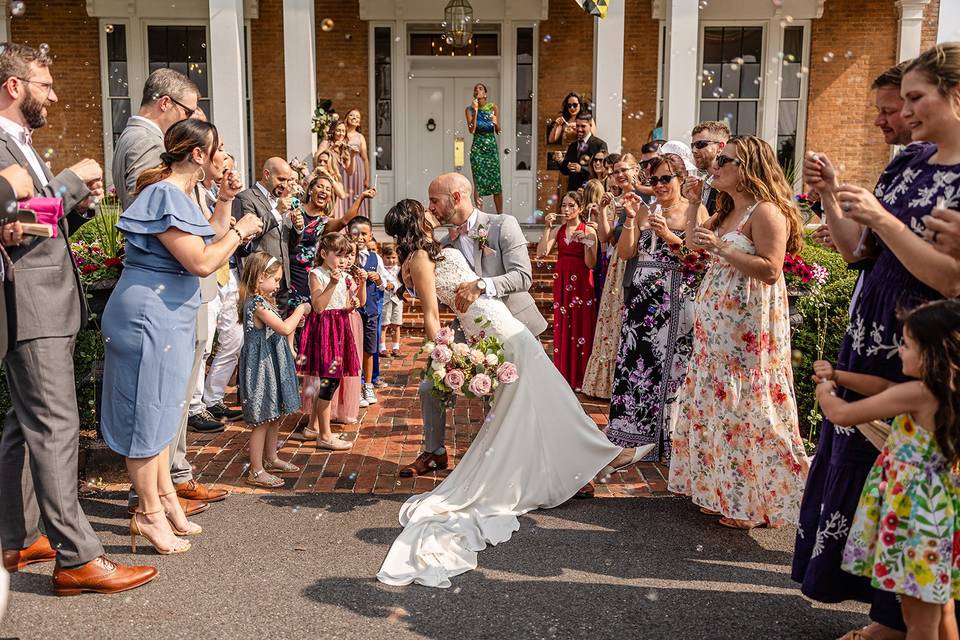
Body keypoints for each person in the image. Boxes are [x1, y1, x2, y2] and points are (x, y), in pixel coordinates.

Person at [378, 199, 650, 588]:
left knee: (538, 402)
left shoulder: (427, 253)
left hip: (495, 323)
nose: (430, 213)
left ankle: (584, 462)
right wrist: (445, 355)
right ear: (412, 221)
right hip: (497, 330)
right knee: (548, 396)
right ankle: (600, 457)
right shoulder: (420, 258)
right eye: (423, 211)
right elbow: (430, 316)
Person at [793, 44, 960, 639]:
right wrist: (834, 195)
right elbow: (855, 252)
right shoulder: (910, 161)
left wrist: (887, 220)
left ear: (954, 95)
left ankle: (896, 624)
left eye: (916, 98)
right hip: (868, 333)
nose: (905, 112)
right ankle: (880, 614)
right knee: (871, 478)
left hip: (924, 347)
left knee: (919, 487)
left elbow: (950, 278)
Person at [0, 41, 157, 594]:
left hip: (47, 298)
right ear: (14, 87)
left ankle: (17, 537)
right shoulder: (0, 142)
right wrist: (65, 182)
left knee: (25, 425)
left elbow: (28, 219)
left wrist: (77, 202)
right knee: (57, 427)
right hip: (31, 302)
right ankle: (77, 557)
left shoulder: (21, 142)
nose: (54, 94)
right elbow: (4, 210)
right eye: (44, 84)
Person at [100, 119, 262, 555]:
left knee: (165, 413)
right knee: (145, 415)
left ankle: (165, 499)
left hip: (169, 314)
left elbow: (207, 234)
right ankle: (147, 514)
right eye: (219, 149)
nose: (225, 157)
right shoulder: (162, 194)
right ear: (197, 155)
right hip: (147, 315)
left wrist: (226, 202)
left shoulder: (181, 193)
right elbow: (202, 261)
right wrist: (241, 232)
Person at [669, 135, 809, 529]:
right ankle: (721, 491)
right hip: (718, 329)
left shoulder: (765, 212)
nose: (715, 165)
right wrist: (695, 201)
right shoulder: (727, 209)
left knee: (744, 407)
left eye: (725, 160)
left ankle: (750, 503)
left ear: (748, 169)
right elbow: (693, 245)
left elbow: (771, 268)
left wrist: (725, 250)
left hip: (749, 324)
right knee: (719, 408)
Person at [816, 300, 960, 639]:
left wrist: (825, 391)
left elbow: (842, 415)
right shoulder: (943, 394)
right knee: (942, 611)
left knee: (918, 619)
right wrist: (838, 373)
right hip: (941, 516)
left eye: (907, 344)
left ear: (932, 353)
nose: (900, 349)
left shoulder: (920, 393)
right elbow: (883, 388)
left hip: (918, 520)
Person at [398, 173, 548, 478]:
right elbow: (431, 287)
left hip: (512, 323)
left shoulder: (502, 224)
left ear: (456, 197)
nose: (431, 207)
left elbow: (523, 277)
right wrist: (407, 279)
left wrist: (481, 285)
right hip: (469, 326)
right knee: (430, 385)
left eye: (434, 200)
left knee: (528, 397)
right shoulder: (442, 241)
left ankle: (547, 459)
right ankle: (434, 451)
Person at [605, 154, 704, 460]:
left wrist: (667, 235)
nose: (660, 185)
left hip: (674, 299)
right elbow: (625, 252)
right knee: (637, 362)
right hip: (640, 297)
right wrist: (633, 219)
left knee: (670, 367)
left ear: (680, 179)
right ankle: (633, 434)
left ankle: (667, 439)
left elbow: (697, 259)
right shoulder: (646, 209)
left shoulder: (694, 210)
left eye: (666, 179)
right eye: (655, 180)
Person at [236, 251, 309, 488]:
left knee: (275, 414)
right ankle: (256, 471)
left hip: (272, 362)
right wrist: (300, 310)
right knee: (263, 418)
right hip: (261, 367)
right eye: (276, 279)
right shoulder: (255, 304)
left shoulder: (266, 301)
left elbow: (284, 333)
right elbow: (283, 327)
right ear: (259, 277)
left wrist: (292, 342)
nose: (279, 284)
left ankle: (271, 457)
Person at [297, 232, 362, 451]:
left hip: (340, 326)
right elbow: (318, 306)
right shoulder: (317, 273)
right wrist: (333, 283)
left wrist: (351, 302)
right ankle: (325, 435)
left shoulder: (343, 276)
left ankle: (314, 427)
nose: (343, 260)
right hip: (325, 329)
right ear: (324, 254)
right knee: (328, 381)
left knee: (330, 381)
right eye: (339, 255)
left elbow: (344, 304)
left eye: (346, 256)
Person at [112, 68, 199, 209]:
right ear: (165, 103)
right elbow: (144, 209)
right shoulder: (147, 142)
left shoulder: (132, 134)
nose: (188, 121)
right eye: (187, 112)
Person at [536, 191, 598, 389]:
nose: (567, 209)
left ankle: (580, 377)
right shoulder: (559, 230)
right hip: (563, 282)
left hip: (581, 281)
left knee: (582, 324)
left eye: (571, 205)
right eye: (564, 206)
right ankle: (564, 374)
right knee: (564, 324)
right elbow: (541, 253)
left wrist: (587, 243)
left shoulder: (589, 230)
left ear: (580, 208)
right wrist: (547, 228)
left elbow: (591, 264)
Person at [202, 152, 246, 420]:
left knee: (234, 338)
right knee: (205, 342)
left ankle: (213, 396)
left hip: (229, 272)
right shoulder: (199, 193)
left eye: (232, 170)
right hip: (207, 273)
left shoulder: (227, 197)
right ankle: (195, 406)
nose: (229, 174)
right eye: (224, 168)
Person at [349, 216, 396, 406]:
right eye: (355, 233)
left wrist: (378, 279)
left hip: (369, 311)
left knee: (369, 349)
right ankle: (354, 386)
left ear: (370, 236)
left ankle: (367, 385)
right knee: (353, 349)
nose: (359, 237)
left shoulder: (375, 258)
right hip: (351, 311)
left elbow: (387, 283)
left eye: (364, 234)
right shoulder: (345, 256)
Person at [465, 83, 503, 214]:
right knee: (478, 183)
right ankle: (479, 216)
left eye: (480, 88)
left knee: (496, 182)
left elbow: (498, 130)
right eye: (475, 89)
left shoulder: (493, 107)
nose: (477, 90)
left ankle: (500, 215)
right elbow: (472, 130)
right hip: (478, 148)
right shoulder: (469, 110)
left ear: (485, 94)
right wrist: (475, 111)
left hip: (491, 147)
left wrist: (496, 123)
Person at [689, 120, 730, 215]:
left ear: (720, 147)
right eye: (693, 145)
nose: (694, 150)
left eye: (700, 144)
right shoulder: (702, 183)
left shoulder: (730, 185)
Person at [559, 114, 607, 193]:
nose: (579, 129)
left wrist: (581, 169)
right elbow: (565, 171)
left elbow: (602, 169)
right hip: (573, 191)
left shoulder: (599, 144)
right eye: (577, 126)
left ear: (590, 125)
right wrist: (561, 162)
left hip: (590, 191)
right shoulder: (573, 145)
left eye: (583, 126)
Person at [343, 109, 371, 217]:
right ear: (346, 118)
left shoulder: (360, 137)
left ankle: (357, 219)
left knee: (356, 194)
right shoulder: (340, 132)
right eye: (352, 115)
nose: (355, 118)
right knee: (343, 194)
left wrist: (367, 178)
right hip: (343, 166)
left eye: (357, 117)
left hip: (357, 169)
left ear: (359, 123)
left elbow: (365, 158)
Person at [380, 243, 404, 357]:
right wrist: (385, 284)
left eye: (393, 257)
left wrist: (394, 285)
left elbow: (401, 283)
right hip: (384, 300)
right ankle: (382, 347)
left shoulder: (399, 270)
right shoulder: (380, 269)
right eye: (388, 257)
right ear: (382, 257)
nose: (391, 260)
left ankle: (395, 347)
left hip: (397, 300)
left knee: (396, 324)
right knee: (384, 325)